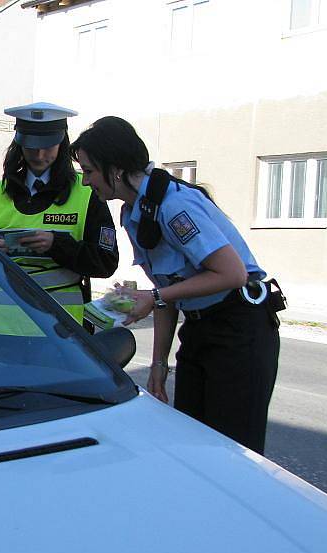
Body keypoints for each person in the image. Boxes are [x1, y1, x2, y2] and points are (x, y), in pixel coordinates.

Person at [71, 116, 281, 454]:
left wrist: (152, 296)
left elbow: (232, 274)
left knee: (231, 450)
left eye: (89, 171)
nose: (85, 182)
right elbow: (165, 293)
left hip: (240, 329)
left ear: (115, 168)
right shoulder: (133, 212)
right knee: (193, 443)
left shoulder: (173, 205)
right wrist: (159, 363)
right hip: (200, 331)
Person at [0, 101, 118, 338]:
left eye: (47, 146)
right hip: (2, 331)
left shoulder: (87, 194)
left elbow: (105, 263)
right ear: (18, 144)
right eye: (31, 147)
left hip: (63, 333)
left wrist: (56, 245)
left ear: (62, 142)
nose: (39, 155)